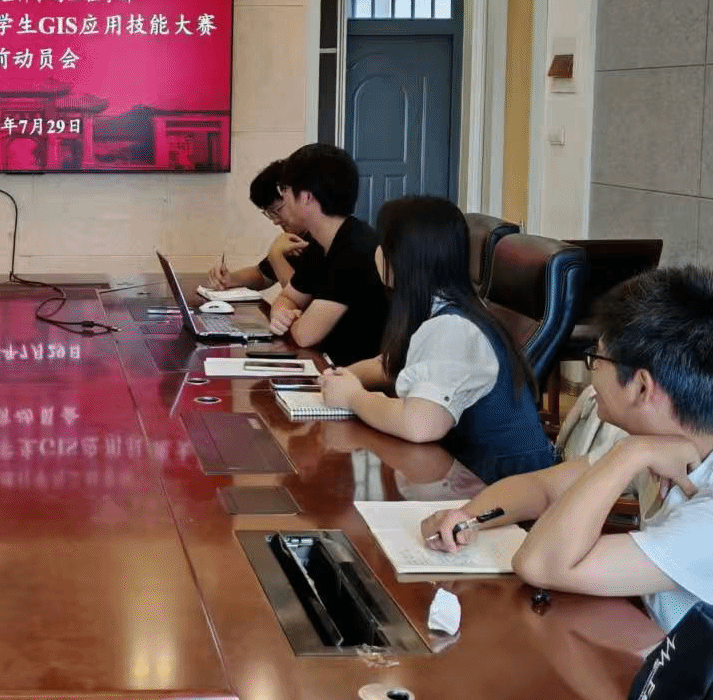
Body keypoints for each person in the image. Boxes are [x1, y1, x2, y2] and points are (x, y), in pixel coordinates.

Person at [419, 266, 713, 643]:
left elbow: (542, 564)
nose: (590, 372)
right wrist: (468, 516)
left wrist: (629, 454)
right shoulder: (700, 435)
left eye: (596, 359)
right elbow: (542, 488)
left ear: (642, 387)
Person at [320, 195, 556, 493]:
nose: (376, 252)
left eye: (382, 243)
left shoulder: (452, 329)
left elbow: (420, 425)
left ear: (402, 258)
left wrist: (354, 397)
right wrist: (346, 377)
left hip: (503, 495)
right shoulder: (448, 307)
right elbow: (394, 364)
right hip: (476, 483)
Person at [265, 143, 388, 364]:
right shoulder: (319, 242)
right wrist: (281, 314)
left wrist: (294, 318)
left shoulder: (355, 248)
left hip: (356, 378)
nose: (283, 197)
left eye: (285, 190)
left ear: (306, 197)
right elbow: (288, 298)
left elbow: (305, 336)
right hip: (328, 367)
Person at [207, 158, 317, 293]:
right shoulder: (296, 237)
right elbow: (263, 275)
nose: (275, 221)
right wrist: (230, 279)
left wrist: (276, 255)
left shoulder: (324, 239)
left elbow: (300, 296)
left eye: (277, 210)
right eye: (270, 214)